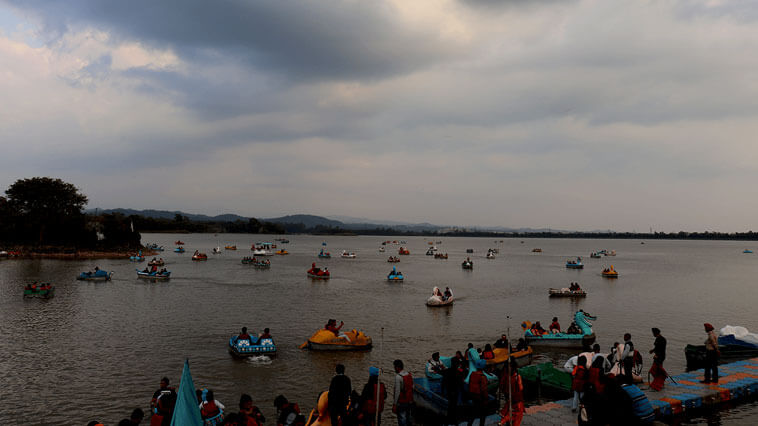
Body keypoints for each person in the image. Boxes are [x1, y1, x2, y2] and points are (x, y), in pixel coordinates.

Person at [499, 358, 524, 426]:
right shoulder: (516, 376)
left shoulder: (505, 373)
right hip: (516, 398)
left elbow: (501, 385)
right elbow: (521, 388)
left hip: (508, 396)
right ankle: (503, 422)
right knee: (516, 415)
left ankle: (504, 421)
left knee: (510, 411)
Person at [442, 357, 463, 425]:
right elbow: (460, 384)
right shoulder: (458, 373)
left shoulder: (447, 371)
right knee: (454, 407)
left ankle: (448, 421)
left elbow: (443, 382)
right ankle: (454, 421)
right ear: (457, 364)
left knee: (450, 406)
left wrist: (443, 392)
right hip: (455, 391)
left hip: (449, 391)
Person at [392, 359, 413, 426]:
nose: (394, 368)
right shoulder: (408, 374)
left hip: (402, 402)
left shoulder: (398, 377)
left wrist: (394, 404)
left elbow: (397, 392)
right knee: (408, 418)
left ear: (397, 367)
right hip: (409, 400)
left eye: (394, 367)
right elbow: (412, 387)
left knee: (402, 419)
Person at [468, 360, 489, 426]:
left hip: (473, 396)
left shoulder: (472, 374)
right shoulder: (482, 377)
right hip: (480, 398)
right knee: (482, 415)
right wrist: (486, 399)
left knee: (473, 413)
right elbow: (484, 390)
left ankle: (469, 424)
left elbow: (470, 384)